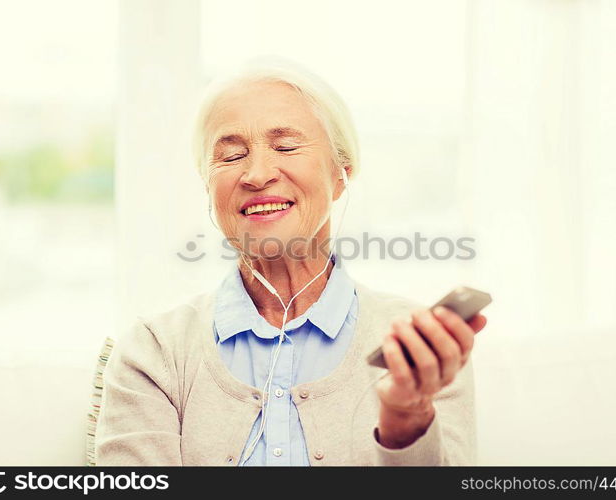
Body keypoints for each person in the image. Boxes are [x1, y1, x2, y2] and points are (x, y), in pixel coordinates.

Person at [95, 59, 487, 466]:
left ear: (341, 174)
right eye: (230, 156)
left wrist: (408, 422)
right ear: (208, 185)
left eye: (285, 147)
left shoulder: (423, 350)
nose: (257, 174)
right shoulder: (154, 352)